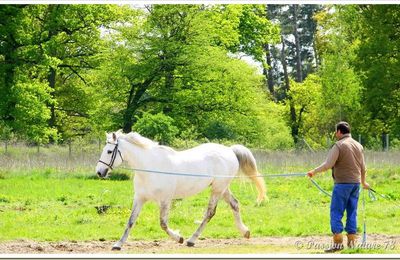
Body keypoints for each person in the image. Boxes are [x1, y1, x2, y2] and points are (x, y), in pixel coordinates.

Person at [307, 121, 370, 253]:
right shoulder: (358, 145)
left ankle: (337, 243)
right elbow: (363, 168)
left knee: (336, 212)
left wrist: (314, 171)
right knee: (352, 212)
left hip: (342, 185)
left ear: (339, 132)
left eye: (336, 132)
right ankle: (352, 244)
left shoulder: (339, 145)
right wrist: (364, 183)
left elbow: (328, 164)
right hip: (355, 184)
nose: (336, 134)